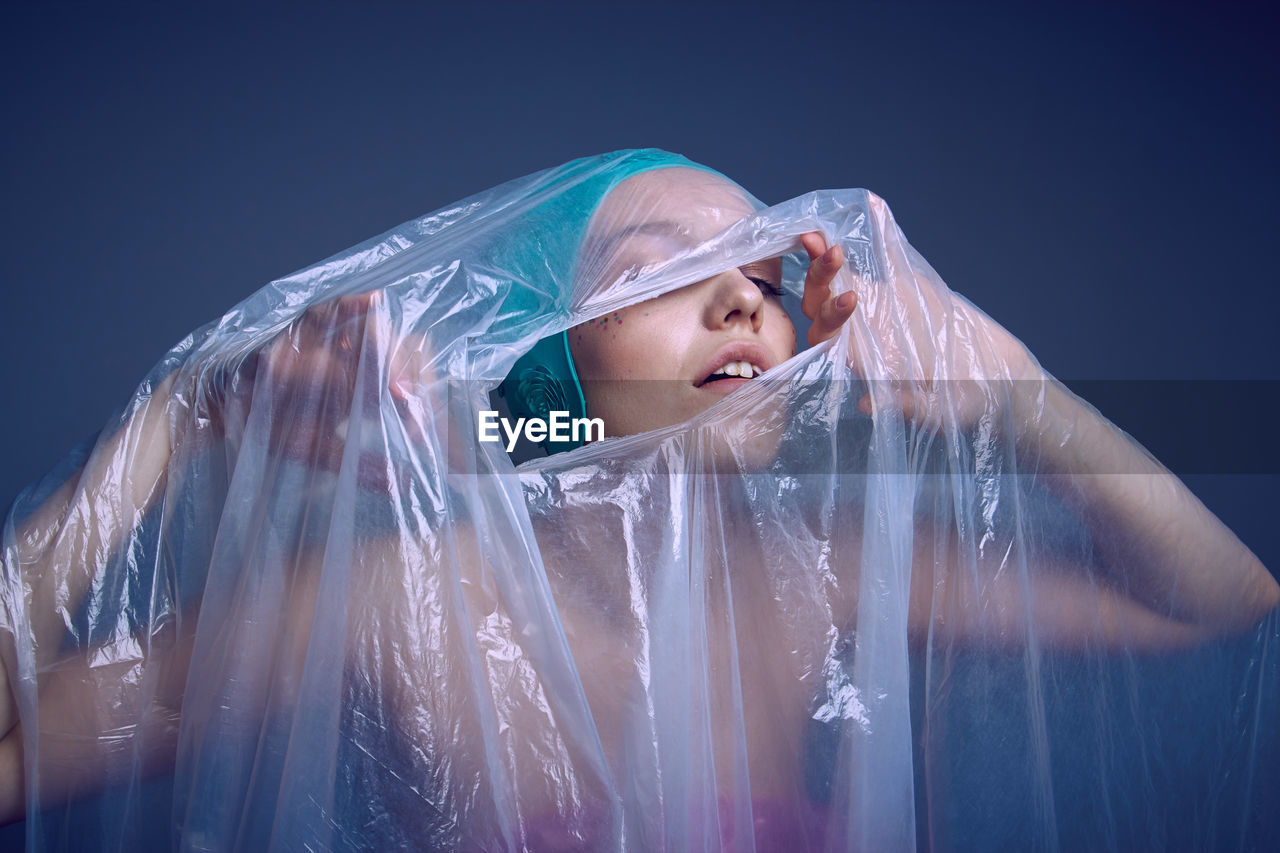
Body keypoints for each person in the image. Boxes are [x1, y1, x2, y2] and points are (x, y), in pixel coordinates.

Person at [1, 149, 1275, 851]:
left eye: (759, 275)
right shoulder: (391, 604)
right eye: (664, 272)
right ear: (549, 351)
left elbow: (1221, 603)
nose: (744, 299)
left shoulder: (823, 566)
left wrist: (1013, 387)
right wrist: (177, 421)